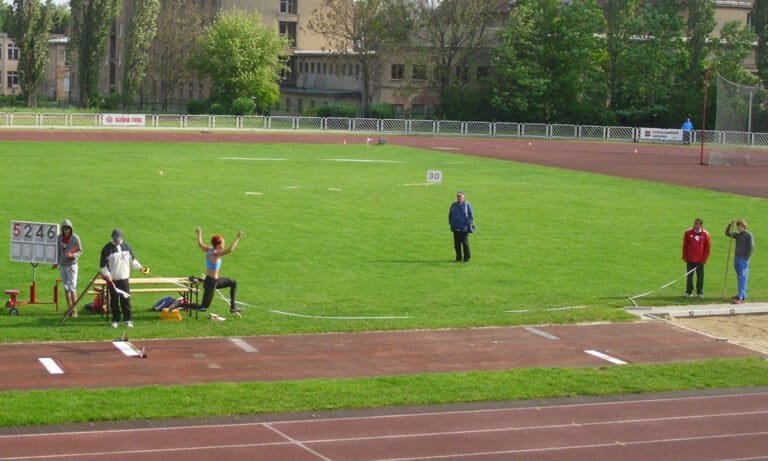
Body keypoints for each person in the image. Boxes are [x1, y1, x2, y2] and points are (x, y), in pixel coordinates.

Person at [99, 229, 149, 328]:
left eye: (118, 238)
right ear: (112, 237)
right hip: (112, 279)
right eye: (115, 238)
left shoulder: (127, 247)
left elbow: (132, 261)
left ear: (121, 237)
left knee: (125, 300)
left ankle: (128, 319)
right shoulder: (107, 248)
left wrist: (141, 268)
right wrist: (107, 275)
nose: (116, 240)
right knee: (114, 301)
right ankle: (115, 320)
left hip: (124, 278)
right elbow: (103, 266)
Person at [197, 227, 244, 314]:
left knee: (233, 282)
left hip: (213, 280)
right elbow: (230, 249)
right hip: (211, 282)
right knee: (203, 308)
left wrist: (199, 233)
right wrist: (238, 238)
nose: (224, 244)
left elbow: (200, 244)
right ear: (218, 245)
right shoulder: (216, 253)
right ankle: (180, 304)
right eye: (223, 243)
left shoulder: (209, 249)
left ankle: (233, 307)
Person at [53, 219, 83, 317]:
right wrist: (56, 262)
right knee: (66, 288)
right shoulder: (59, 238)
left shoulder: (75, 238)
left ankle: (75, 311)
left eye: (68, 229)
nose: (66, 231)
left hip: (72, 266)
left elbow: (80, 250)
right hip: (63, 266)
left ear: (71, 229)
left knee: (72, 288)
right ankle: (70, 309)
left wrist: (73, 255)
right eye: (65, 228)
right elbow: (58, 251)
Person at [725, 219, 754, 304]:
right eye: (737, 226)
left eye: (739, 226)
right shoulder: (738, 235)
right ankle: (742, 294)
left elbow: (751, 247)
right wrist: (730, 224)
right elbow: (727, 233)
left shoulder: (749, 235)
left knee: (742, 277)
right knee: (740, 277)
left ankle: (740, 297)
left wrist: (746, 258)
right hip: (736, 258)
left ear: (744, 226)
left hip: (743, 259)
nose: (738, 227)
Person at [682, 218, 711, 298]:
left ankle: (699, 292)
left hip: (700, 260)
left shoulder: (706, 234)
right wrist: (684, 256)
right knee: (689, 276)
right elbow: (685, 245)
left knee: (700, 277)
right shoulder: (688, 233)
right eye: (694, 223)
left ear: (701, 225)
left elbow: (707, 248)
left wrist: (704, 259)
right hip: (690, 259)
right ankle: (689, 291)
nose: (695, 225)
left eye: (697, 224)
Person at [448, 191, 474, 262]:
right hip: (455, 228)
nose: (458, 198)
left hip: (464, 228)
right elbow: (450, 215)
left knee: (465, 244)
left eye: (460, 196)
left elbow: (470, 216)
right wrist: (451, 223)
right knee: (456, 244)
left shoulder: (467, 205)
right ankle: (458, 257)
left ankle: (466, 258)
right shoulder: (453, 205)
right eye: (458, 196)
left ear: (463, 197)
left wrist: (468, 225)